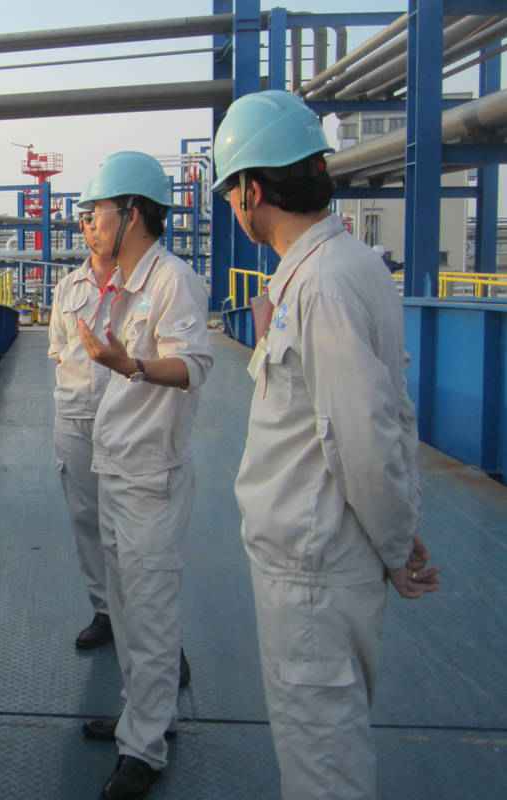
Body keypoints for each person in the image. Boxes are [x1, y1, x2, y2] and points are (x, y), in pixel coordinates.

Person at [212, 89, 440, 799]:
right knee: (326, 745)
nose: (233, 207)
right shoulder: (349, 266)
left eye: (231, 193)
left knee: (322, 767)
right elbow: (390, 409)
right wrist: (400, 523)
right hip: (325, 556)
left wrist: (397, 546)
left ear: (251, 191)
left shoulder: (321, 286)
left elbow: (361, 434)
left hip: (312, 570)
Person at [74, 151, 213, 800]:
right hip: (116, 467)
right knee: (127, 610)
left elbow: (192, 366)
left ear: (132, 214)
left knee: (151, 614)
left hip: (150, 475)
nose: (90, 224)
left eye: (98, 212)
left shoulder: (172, 281)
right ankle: (141, 718)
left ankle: (145, 750)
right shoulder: (126, 282)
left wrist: (128, 365)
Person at [47, 215, 118, 650]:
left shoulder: (143, 283)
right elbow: (59, 349)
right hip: (75, 415)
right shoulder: (67, 288)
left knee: (134, 524)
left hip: (127, 416)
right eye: (86, 221)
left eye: (100, 218)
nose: (94, 229)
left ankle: (150, 626)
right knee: (86, 516)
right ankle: (105, 611)